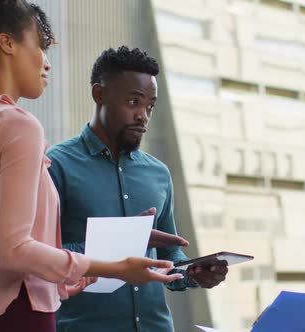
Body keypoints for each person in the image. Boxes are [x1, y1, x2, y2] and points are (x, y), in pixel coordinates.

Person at [0, 2, 182, 331]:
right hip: (18, 316)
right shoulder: (19, 125)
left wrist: (96, 262)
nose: (47, 64)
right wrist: (116, 266)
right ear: (8, 44)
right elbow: (13, 250)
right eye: (41, 46)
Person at [47, 46, 229, 332]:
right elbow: (41, 257)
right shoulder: (56, 165)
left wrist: (193, 274)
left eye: (150, 106)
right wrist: (123, 239)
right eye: (134, 102)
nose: (143, 116)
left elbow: (169, 258)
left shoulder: (158, 173)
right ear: (99, 94)